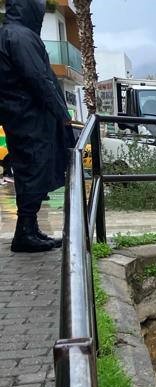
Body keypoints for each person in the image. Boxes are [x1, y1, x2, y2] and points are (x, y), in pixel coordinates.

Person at [0, 0, 73, 252]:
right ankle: (25, 233)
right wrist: (62, 113)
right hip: (29, 118)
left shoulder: (12, 34)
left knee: (31, 170)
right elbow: (38, 78)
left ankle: (29, 229)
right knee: (33, 169)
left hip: (22, 116)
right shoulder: (19, 36)